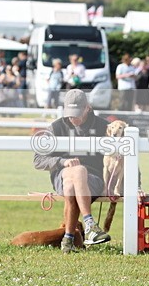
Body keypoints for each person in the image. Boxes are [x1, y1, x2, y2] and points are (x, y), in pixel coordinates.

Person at [33, 89, 111, 254]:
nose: (72, 118)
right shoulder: (55, 127)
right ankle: (90, 224)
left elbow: (123, 156)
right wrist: (63, 161)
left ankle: (68, 239)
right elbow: (38, 160)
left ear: (87, 108)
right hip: (62, 174)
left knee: (71, 185)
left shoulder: (104, 126)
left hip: (93, 180)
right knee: (78, 171)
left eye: (76, 114)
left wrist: (136, 185)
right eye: (69, 114)